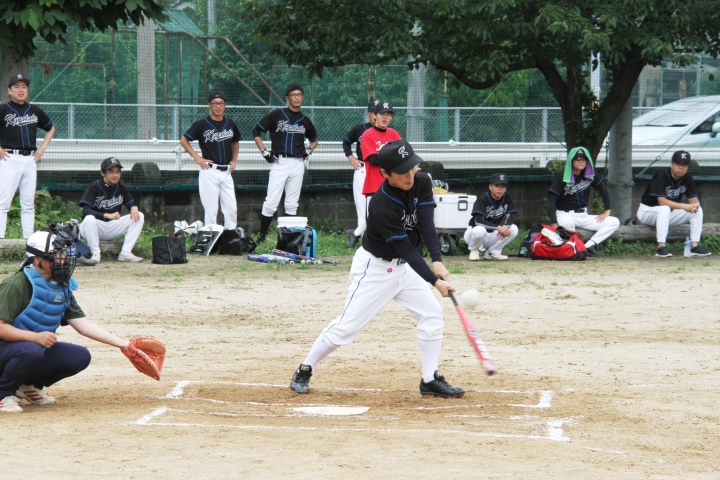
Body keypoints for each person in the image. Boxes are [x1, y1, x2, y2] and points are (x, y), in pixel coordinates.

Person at [289, 139, 465, 398]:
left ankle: (429, 379)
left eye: (412, 167)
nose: (410, 175)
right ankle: (305, 368)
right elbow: (406, 249)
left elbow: (426, 222)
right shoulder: (381, 205)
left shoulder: (421, 181)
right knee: (346, 328)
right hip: (376, 269)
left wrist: (437, 259)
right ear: (385, 173)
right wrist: (434, 281)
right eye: (402, 172)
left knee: (431, 314)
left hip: (405, 268)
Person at [0, 230, 133, 413]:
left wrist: (125, 344)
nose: (63, 259)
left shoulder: (61, 286)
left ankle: (28, 386)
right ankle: (3, 393)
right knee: (32, 350)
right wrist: (35, 337)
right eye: (57, 255)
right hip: (7, 350)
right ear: (37, 260)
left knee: (79, 356)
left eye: (63, 254)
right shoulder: (16, 284)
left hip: (25, 350)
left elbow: (84, 326)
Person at [252, 83, 319, 243]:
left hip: (298, 163)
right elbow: (256, 130)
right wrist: (264, 152)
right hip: (279, 162)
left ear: (303, 97)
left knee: (291, 204)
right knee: (271, 202)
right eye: (293, 95)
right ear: (287, 98)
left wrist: (308, 151)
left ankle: (287, 240)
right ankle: (262, 237)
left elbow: (315, 139)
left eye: (299, 95)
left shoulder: (305, 120)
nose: (297, 97)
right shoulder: (277, 114)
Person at [0, 73, 56, 240]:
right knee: (3, 202)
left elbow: (50, 128)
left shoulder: (34, 110)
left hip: (30, 159)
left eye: (24, 87)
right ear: (9, 90)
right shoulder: (3, 110)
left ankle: (28, 241)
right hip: (9, 158)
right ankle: (0, 240)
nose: (21, 90)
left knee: (28, 203)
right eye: (17, 87)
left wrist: (41, 149)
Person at [180, 90, 241, 230]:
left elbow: (236, 141)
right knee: (211, 209)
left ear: (225, 105)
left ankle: (230, 237)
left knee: (231, 208)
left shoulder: (230, 123)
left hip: (226, 171)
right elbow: (184, 140)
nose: (218, 106)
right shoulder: (202, 124)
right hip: (209, 170)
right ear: (209, 105)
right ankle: (210, 237)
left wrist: (234, 160)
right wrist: (197, 157)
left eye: (221, 103)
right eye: (215, 103)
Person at [636, 150, 711, 257]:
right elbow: (662, 202)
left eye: (684, 165)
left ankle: (694, 246)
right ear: (671, 164)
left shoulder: (687, 178)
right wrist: (685, 206)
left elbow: (694, 200)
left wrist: (695, 206)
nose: (681, 167)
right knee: (665, 208)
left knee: (698, 211)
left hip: (667, 214)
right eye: (678, 164)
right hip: (647, 212)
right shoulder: (661, 176)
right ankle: (661, 247)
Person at [547, 147, 620, 256]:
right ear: (571, 161)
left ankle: (588, 246)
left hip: (583, 215)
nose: (581, 161)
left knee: (614, 222)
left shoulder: (589, 174)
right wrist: (554, 222)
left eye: (583, 159)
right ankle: (576, 248)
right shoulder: (562, 177)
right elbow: (551, 201)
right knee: (566, 223)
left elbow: (603, 189)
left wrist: (607, 210)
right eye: (577, 159)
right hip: (565, 215)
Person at [78, 157, 144, 263]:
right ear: (103, 173)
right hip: (95, 227)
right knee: (89, 219)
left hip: (112, 226)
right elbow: (86, 211)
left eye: (118, 171)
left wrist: (133, 207)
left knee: (139, 216)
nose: (115, 175)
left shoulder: (121, 187)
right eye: (111, 172)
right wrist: (106, 215)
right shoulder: (94, 187)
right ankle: (95, 254)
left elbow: (130, 203)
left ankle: (125, 253)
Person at [342, 99, 379, 248]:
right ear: (369, 114)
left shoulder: (388, 131)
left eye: (379, 112)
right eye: (374, 112)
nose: (376, 115)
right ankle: (365, 238)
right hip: (363, 169)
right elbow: (346, 141)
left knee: (377, 206)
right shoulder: (360, 129)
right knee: (363, 207)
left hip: (380, 171)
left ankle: (356, 233)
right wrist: (350, 157)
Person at [464, 173, 519, 261]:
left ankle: (492, 252)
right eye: (497, 185)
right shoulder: (483, 198)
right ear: (490, 186)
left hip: (492, 234)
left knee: (513, 229)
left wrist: (505, 227)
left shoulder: (507, 197)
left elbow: (510, 216)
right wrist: (499, 228)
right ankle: (474, 250)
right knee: (480, 230)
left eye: (503, 186)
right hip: (474, 235)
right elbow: (478, 221)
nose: (500, 189)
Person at [359, 101, 402, 201]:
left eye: (388, 115)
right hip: (374, 188)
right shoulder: (367, 134)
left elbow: (402, 154)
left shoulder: (393, 133)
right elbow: (374, 160)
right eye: (382, 114)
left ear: (391, 118)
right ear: (375, 116)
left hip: (393, 188)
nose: (385, 117)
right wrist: (393, 156)